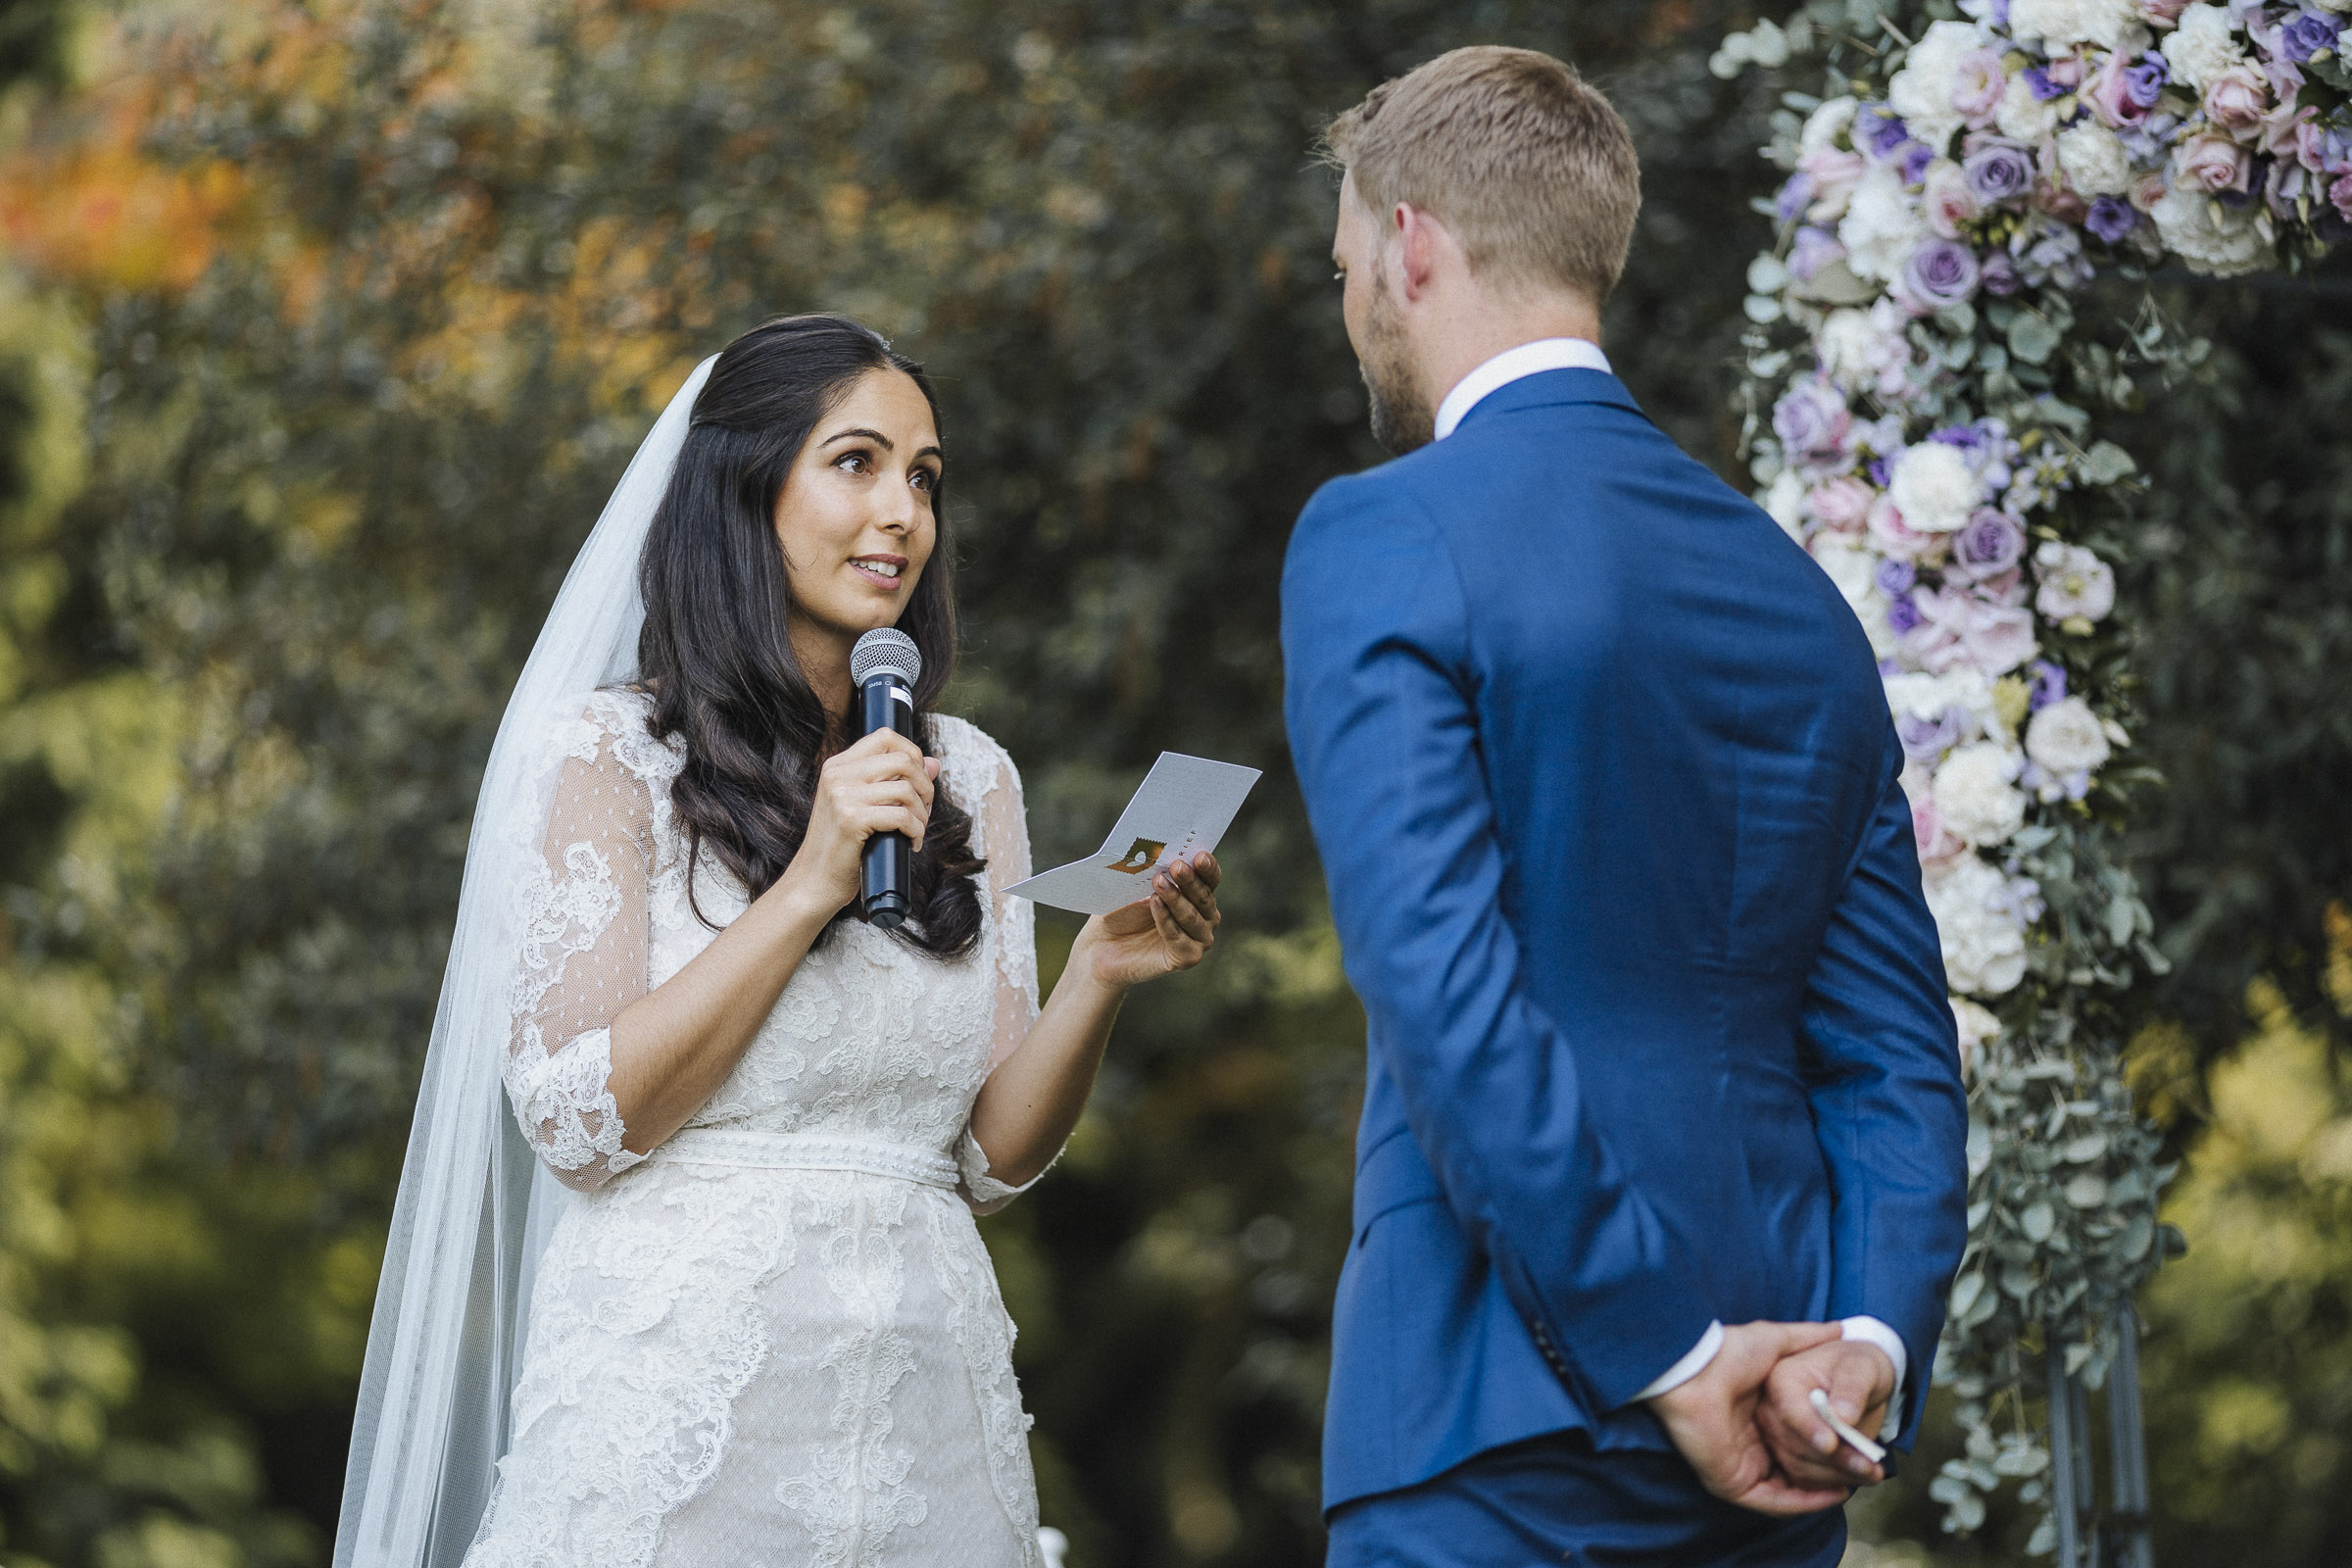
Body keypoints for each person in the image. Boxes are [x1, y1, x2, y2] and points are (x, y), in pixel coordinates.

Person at [335, 315, 1223, 1568]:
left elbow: (991, 1159)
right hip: (685, 1426)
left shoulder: (972, 775)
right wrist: (809, 883)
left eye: (923, 477)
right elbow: (579, 1124)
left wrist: (1099, 975)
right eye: (856, 463)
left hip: (928, 1426)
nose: (903, 513)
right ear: (744, 490)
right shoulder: (605, 759)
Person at [1280, 47, 1971, 1567]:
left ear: (1410, 245)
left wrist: (1660, 1345)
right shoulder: (1795, 595)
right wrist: (1867, 1336)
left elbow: (1440, 983)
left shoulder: (1383, 533)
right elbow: (1897, 1053)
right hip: (1782, 1420)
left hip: (1490, 1400)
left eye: (1346, 266)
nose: (1351, 309)